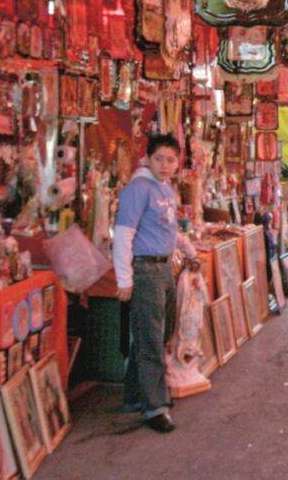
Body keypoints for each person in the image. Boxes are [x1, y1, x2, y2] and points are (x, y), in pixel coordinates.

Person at [112, 134, 197, 433]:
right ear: (148, 158)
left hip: (164, 268)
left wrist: (188, 250)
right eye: (159, 158)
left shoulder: (165, 188)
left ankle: (136, 396)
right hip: (145, 269)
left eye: (171, 159)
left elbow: (168, 229)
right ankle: (155, 407)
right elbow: (123, 234)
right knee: (150, 338)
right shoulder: (138, 189)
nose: (165, 165)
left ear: (178, 162)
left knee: (158, 334)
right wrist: (124, 278)